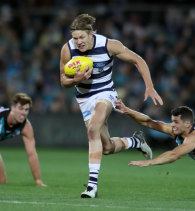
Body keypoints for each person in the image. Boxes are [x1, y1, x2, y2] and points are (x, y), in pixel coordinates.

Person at [59, 14, 163, 198]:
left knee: (92, 130)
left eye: (82, 37)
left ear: (91, 33)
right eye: (75, 38)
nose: (78, 42)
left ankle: (92, 186)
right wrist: (75, 80)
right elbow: (63, 80)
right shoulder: (67, 50)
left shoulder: (109, 45)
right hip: (84, 99)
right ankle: (136, 141)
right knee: (106, 148)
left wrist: (150, 86)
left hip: (105, 93)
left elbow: (138, 60)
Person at [0, 93, 46, 187]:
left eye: (26, 110)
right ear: (13, 108)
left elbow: (32, 154)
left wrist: (38, 181)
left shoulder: (26, 127)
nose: (23, 113)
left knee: (1, 181)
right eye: (20, 108)